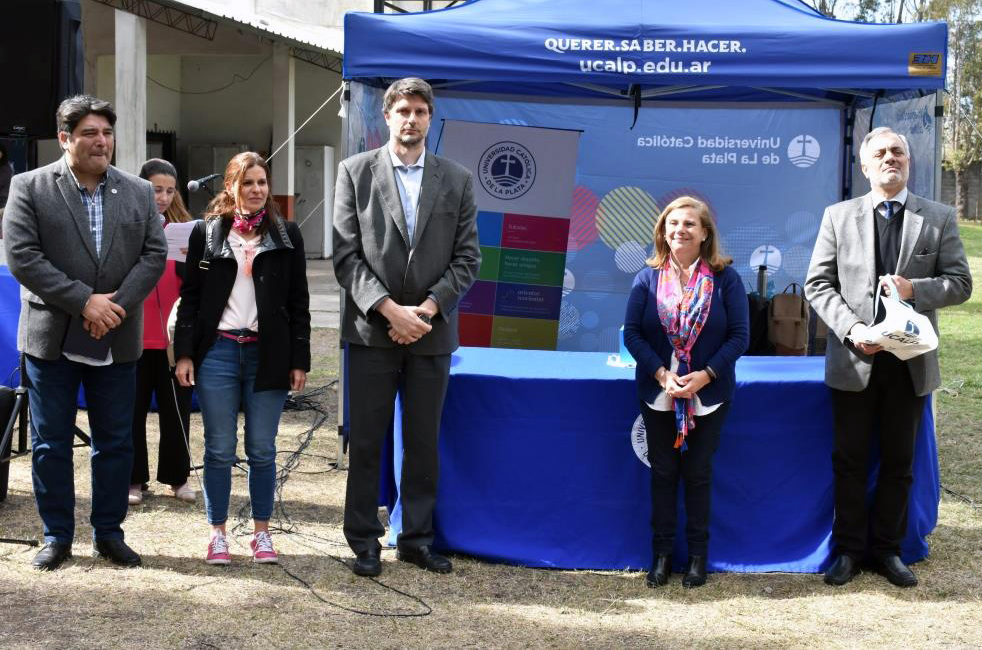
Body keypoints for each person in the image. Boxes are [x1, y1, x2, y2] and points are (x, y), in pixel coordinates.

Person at [3, 95, 167, 570]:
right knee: (51, 442)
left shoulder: (137, 191)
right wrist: (84, 301)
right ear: (64, 139)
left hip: (116, 335)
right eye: (90, 133)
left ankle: (109, 533)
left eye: (107, 133)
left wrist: (112, 306)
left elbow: (153, 255)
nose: (101, 142)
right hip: (50, 337)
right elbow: (23, 257)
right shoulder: (29, 186)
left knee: (115, 441)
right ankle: (56, 536)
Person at [805, 126, 972, 588]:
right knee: (850, 461)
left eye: (897, 151)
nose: (889, 158)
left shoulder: (937, 217)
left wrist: (915, 289)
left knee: (900, 463)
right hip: (853, 360)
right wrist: (853, 329)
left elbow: (961, 283)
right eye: (879, 153)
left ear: (908, 162)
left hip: (909, 363)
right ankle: (849, 551)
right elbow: (818, 285)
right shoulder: (837, 216)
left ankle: (888, 551)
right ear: (864, 166)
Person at [333, 77, 480, 577]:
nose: (411, 119)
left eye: (420, 111)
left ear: (430, 118)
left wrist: (429, 310)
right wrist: (389, 310)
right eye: (403, 111)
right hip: (373, 332)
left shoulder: (456, 180)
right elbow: (346, 255)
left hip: (432, 334)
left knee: (422, 441)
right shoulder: (354, 173)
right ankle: (364, 541)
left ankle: (416, 538)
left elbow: (468, 258)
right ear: (387, 117)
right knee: (368, 440)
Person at [174, 152, 310, 565]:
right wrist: (184, 353)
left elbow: (299, 301)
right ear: (231, 187)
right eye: (247, 183)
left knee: (262, 449)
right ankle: (217, 534)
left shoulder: (287, 234)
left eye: (262, 183)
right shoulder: (207, 233)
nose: (256, 190)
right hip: (217, 352)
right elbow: (191, 299)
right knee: (218, 447)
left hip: (267, 353)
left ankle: (261, 534)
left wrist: (299, 358)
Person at [623, 196, 749, 588]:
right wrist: (662, 374)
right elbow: (633, 334)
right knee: (662, 474)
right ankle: (661, 556)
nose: (680, 230)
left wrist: (705, 375)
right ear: (662, 231)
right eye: (672, 223)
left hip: (707, 395)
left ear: (705, 232)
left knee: (697, 475)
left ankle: (697, 558)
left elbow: (739, 336)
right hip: (659, 391)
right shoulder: (647, 277)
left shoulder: (726, 278)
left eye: (689, 224)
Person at [128, 159, 195, 506]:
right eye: (157, 189)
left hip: (173, 338)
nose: (164, 197)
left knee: (176, 411)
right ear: (141, 188)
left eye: (170, 190)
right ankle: (133, 479)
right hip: (134, 337)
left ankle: (178, 477)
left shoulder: (184, 228)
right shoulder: (126, 225)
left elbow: (198, 279)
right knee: (131, 411)